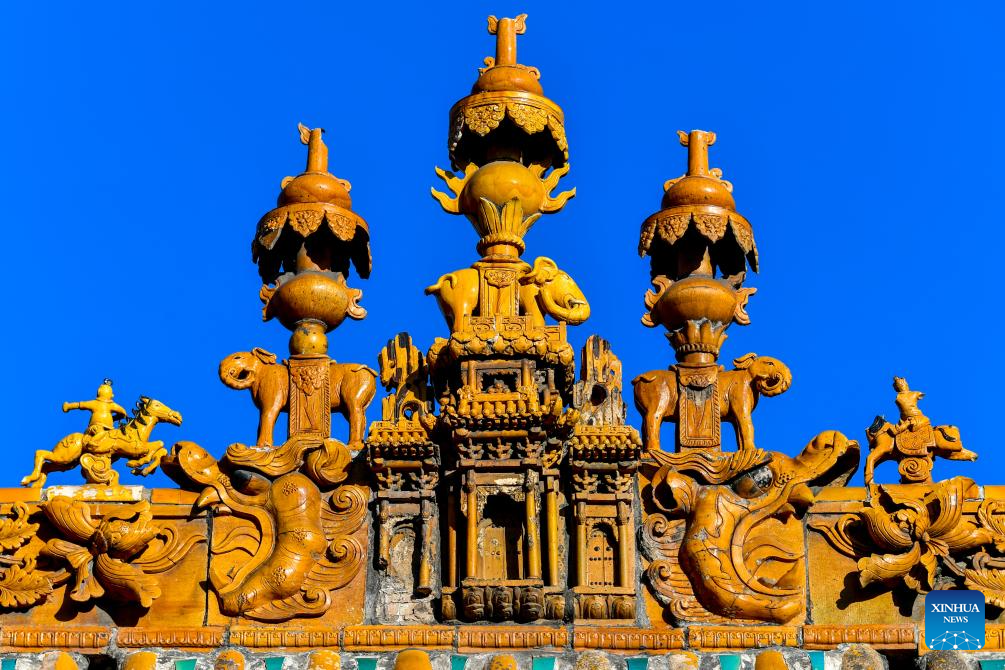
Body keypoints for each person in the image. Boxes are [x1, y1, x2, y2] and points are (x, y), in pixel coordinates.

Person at [62, 378, 128, 436]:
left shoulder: (96, 403)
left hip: (107, 428)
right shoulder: (111, 405)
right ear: (111, 395)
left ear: (98, 392)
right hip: (97, 428)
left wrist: (68, 406)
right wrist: (113, 419)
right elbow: (123, 413)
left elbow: (79, 404)